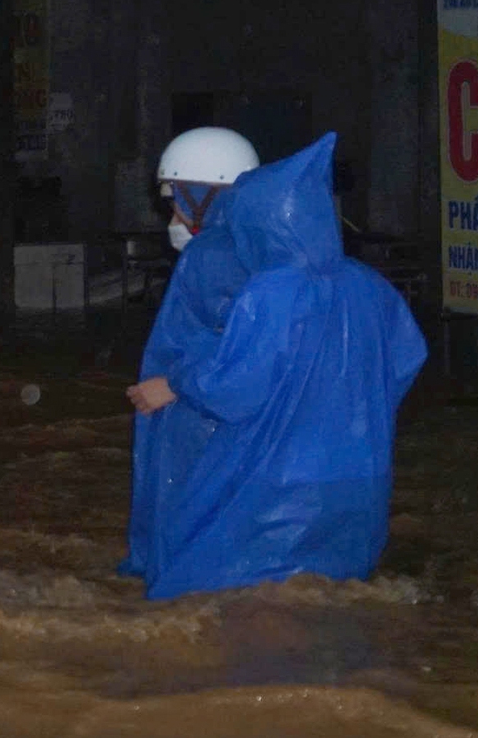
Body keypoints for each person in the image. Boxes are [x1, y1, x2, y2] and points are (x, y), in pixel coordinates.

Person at [126, 133, 427, 599]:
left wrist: (178, 382)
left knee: (237, 609)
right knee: (333, 608)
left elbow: (238, 388)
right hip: (358, 486)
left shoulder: (272, 292)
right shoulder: (367, 283)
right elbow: (406, 360)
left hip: (278, 494)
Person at [120, 127, 259, 577]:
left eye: (175, 195)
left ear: (202, 194)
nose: (173, 211)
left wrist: (177, 386)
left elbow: (245, 349)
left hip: (204, 423)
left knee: (194, 551)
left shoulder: (216, 256)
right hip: (215, 419)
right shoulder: (247, 248)